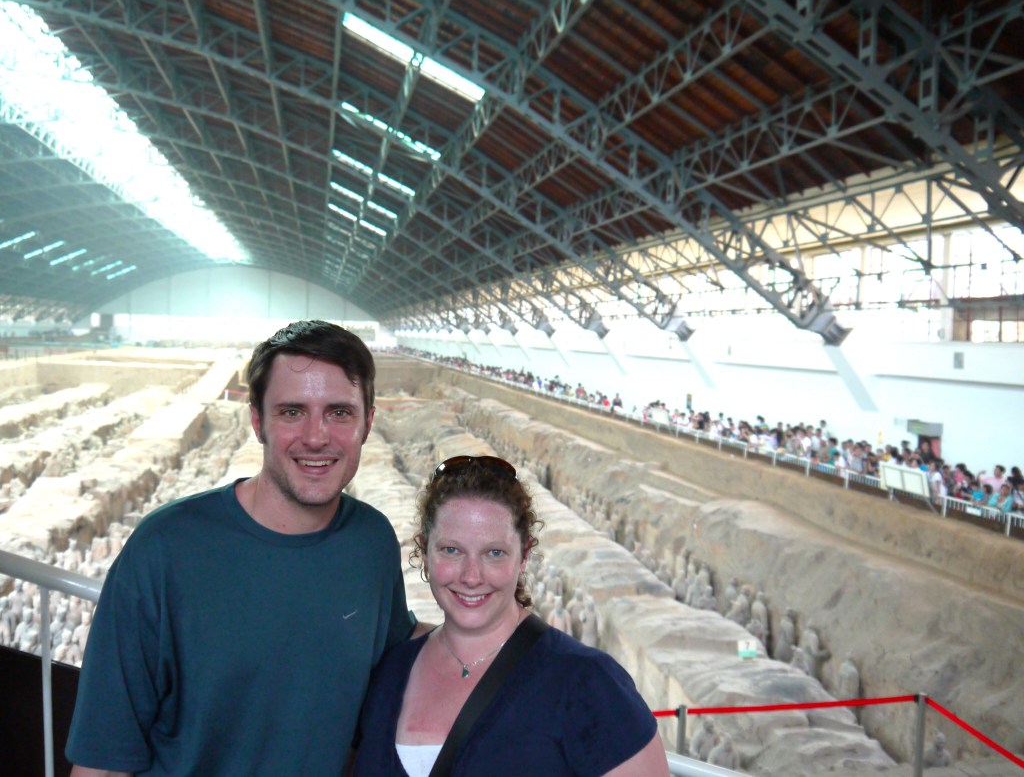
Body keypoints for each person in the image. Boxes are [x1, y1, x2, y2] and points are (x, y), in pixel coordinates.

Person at [67, 320, 418, 777]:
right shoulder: (165, 550)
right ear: (257, 421)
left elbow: (396, 653)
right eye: (292, 412)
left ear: (368, 422)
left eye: (339, 412)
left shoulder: (372, 542)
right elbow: (102, 760)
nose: (316, 436)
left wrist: (494, 626)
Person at [352, 455, 668, 777]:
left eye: (494, 553)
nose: (471, 576)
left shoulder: (588, 682)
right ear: (424, 551)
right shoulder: (389, 673)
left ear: (524, 556)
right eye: (451, 550)